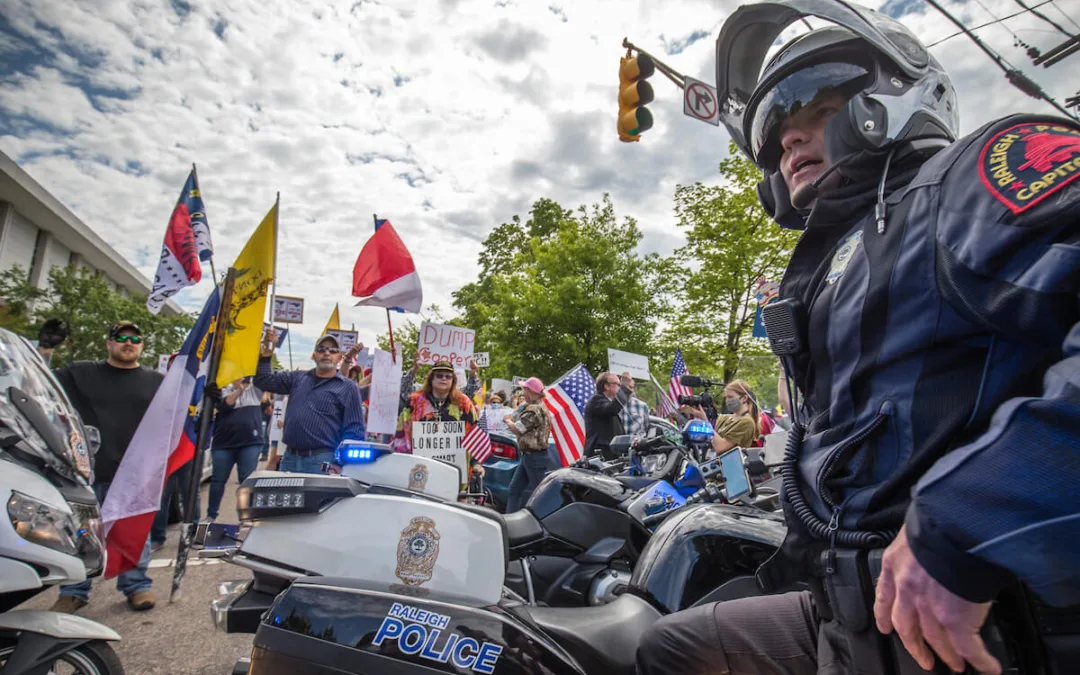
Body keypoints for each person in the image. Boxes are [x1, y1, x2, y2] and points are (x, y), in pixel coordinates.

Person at [636, 2, 1080, 674]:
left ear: (895, 95)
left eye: (812, 103)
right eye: (773, 129)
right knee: (667, 646)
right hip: (852, 610)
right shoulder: (839, 257)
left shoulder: (967, 179)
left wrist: (968, 519)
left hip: (980, 625)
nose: (788, 138)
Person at [51, 321, 162, 613]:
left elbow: (180, 413)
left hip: (134, 472)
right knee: (81, 531)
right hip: (87, 470)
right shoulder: (80, 373)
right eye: (121, 337)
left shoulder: (157, 381)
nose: (128, 342)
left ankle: (137, 586)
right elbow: (40, 382)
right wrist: (47, 348)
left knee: (134, 531)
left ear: (141, 344)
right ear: (109, 343)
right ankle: (74, 590)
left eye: (135, 338)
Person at [254, 331, 365, 473]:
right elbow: (263, 381)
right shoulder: (297, 378)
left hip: (323, 461)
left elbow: (354, 430)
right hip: (289, 459)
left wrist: (339, 464)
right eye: (321, 349)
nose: (326, 353)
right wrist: (267, 355)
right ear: (314, 356)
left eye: (332, 350)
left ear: (339, 358)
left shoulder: (348, 387)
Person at [396, 360, 484, 480]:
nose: (444, 379)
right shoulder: (415, 401)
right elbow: (402, 432)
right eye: (439, 375)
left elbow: (474, 434)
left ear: (453, 380)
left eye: (448, 376)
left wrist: (476, 464)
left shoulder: (463, 403)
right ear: (431, 379)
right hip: (419, 471)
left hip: (454, 473)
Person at [204, 377, 265, 521]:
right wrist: (239, 390)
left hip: (250, 443)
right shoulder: (221, 389)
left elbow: (264, 375)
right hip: (223, 444)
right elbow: (224, 406)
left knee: (246, 481)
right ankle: (211, 516)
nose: (242, 378)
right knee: (217, 481)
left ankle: (247, 517)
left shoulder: (255, 392)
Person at [504, 377, 552, 512]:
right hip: (530, 456)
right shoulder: (536, 407)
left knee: (540, 494)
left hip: (534, 457)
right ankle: (510, 520)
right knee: (514, 489)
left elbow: (517, 429)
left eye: (525, 389)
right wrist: (521, 407)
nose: (523, 393)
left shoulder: (534, 410)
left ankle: (545, 523)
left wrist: (508, 421)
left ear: (532, 392)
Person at [688, 379, 762, 453]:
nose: (727, 400)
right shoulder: (725, 418)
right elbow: (710, 441)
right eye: (726, 397)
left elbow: (720, 447)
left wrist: (705, 420)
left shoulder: (747, 422)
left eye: (730, 397)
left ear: (744, 398)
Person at [583, 371, 631, 459]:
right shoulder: (596, 400)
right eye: (617, 384)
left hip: (611, 453)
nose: (619, 387)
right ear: (607, 386)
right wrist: (624, 387)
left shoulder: (606, 401)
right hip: (600, 454)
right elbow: (612, 409)